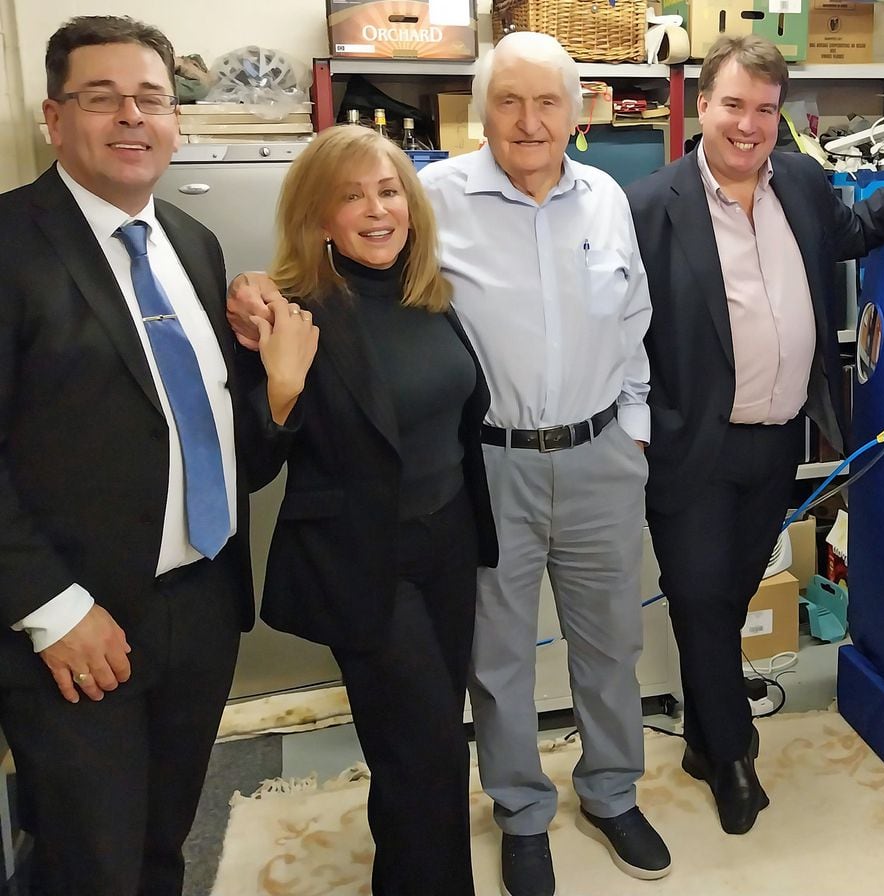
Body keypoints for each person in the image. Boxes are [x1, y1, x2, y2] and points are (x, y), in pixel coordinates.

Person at [227, 31, 669, 896]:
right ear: (483, 111)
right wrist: (256, 289)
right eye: (509, 100)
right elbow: (337, 248)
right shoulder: (433, 195)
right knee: (497, 659)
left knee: (611, 642)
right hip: (489, 469)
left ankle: (612, 790)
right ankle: (521, 811)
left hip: (600, 457)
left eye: (549, 102)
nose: (529, 120)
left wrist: (636, 428)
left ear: (577, 115)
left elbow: (634, 322)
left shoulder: (609, 198)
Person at [624, 34, 884, 836]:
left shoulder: (797, 177)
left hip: (778, 441)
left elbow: (853, 231)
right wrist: (637, 426)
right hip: (693, 446)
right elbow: (620, 329)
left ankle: (702, 740)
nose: (748, 125)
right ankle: (733, 757)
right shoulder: (650, 206)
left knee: (723, 599)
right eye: (732, 106)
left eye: (764, 109)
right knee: (697, 601)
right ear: (704, 109)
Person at [0, 15, 313, 896]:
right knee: (86, 864)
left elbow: (223, 450)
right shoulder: (12, 245)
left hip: (202, 606)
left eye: (151, 99)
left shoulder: (192, 243)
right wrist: (53, 610)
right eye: (102, 99)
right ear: (54, 119)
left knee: (161, 842)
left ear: (178, 121)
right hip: (77, 626)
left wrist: (279, 396)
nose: (131, 117)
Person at [240, 124, 497, 896]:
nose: (376, 209)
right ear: (319, 218)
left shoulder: (431, 296)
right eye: (350, 197)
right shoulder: (289, 313)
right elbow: (251, 467)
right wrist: (281, 390)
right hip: (366, 561)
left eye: (388, 191)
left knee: (415, 746)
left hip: (448, 542)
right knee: (429, 751)